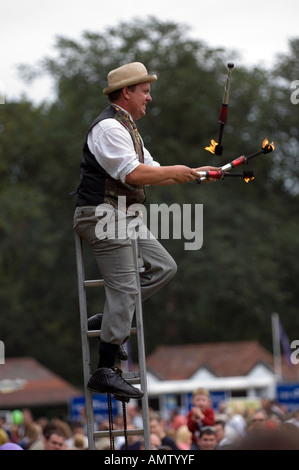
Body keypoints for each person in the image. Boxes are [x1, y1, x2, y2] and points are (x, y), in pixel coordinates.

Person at [73, 61, 219, 399]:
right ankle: (105, 369)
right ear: (127, 93)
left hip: (123, 216)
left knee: (164, 267)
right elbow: (133, 174)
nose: (149, 98)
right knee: (124, 288)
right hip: (101, 215)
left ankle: (106, 319)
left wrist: (195, 173)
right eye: (145, 91)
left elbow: (152, 168)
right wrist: (177, 170)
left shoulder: (129, 129)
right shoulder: (109, 127)